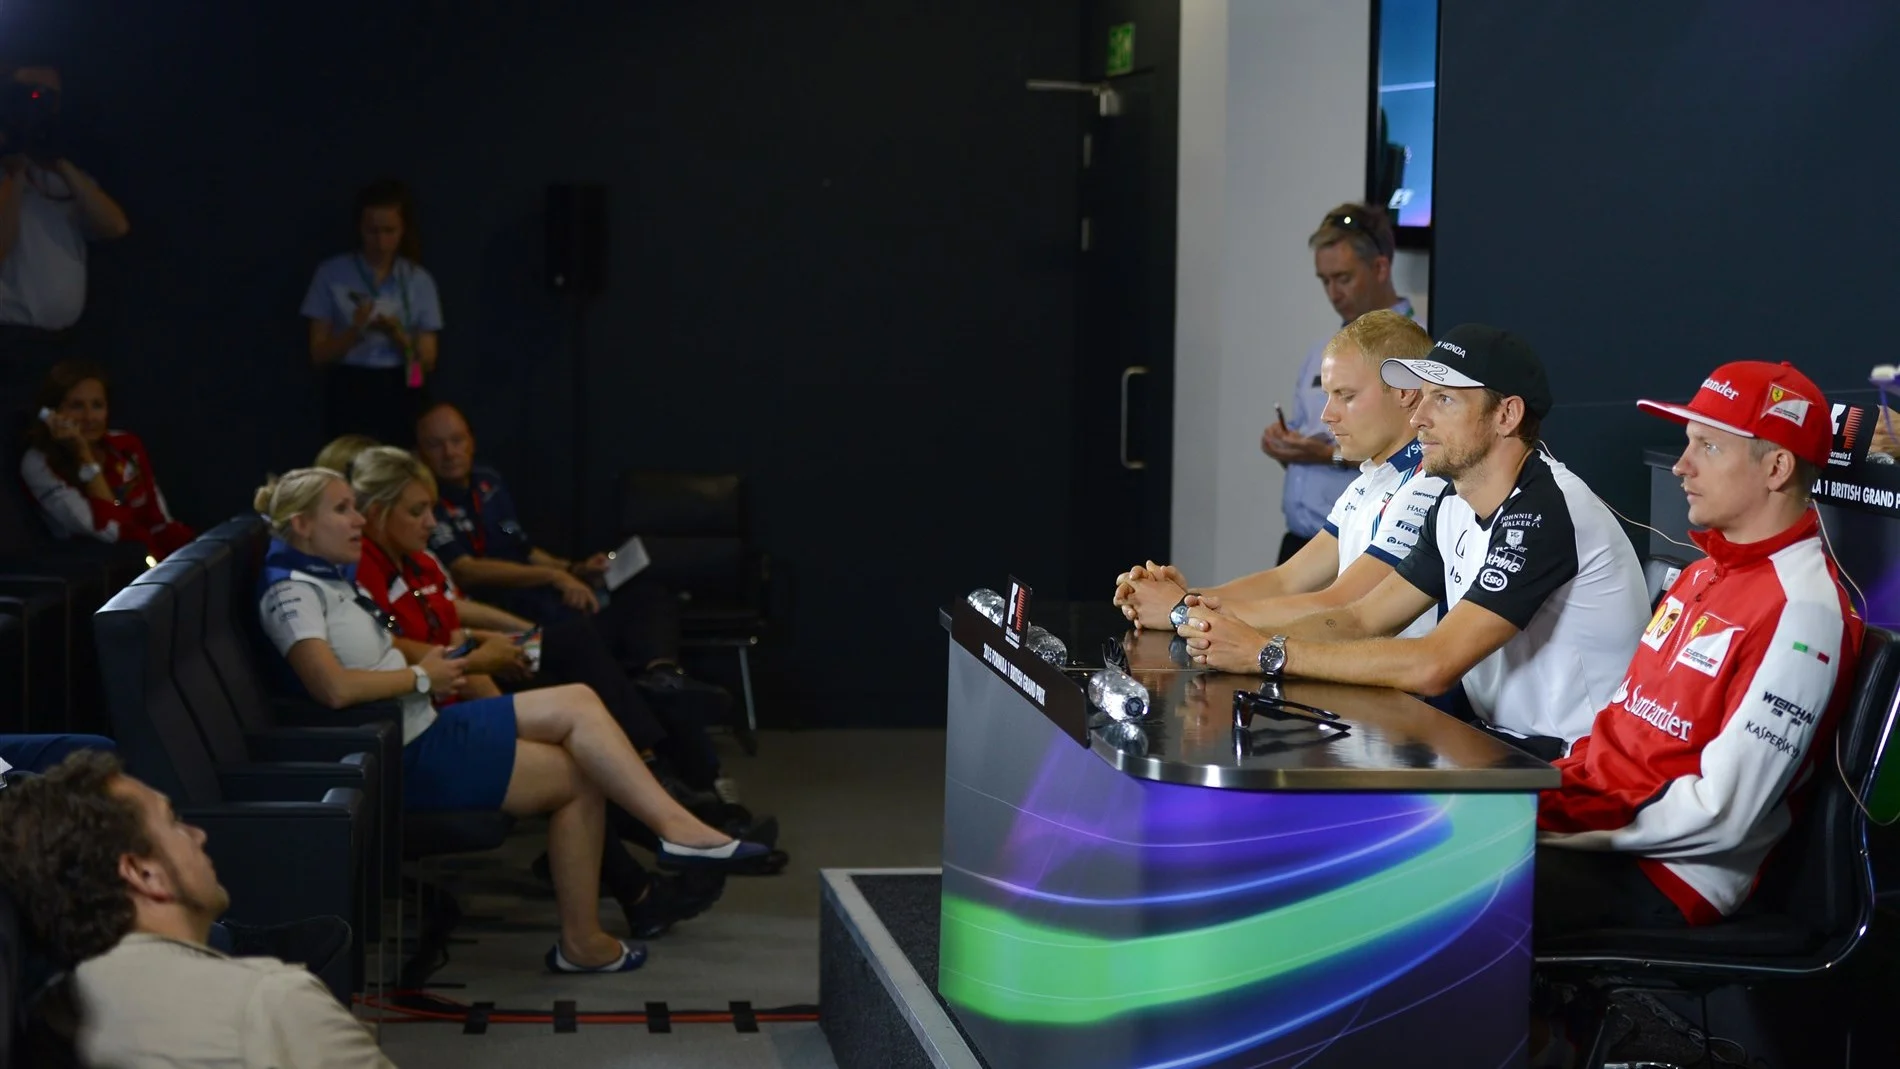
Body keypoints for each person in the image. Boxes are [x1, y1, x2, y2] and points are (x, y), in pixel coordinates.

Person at [253, 468, 771, 971]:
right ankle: (639, 874)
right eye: (342, 509)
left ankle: (654, 852)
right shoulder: (290, 592)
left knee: (579, 710)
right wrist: (423, 676)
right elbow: (333, 687)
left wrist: (440, 664)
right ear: (301, 524)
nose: (358, 520)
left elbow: (395, 644)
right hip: (397, 751)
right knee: (577, 762)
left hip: (422, 721)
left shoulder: (333, 577)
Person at [1528, 363, 1863, 1068]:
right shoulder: (1701, 572)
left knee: (1448, 896)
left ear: (1776, 467)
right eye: (1687, 443)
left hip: (1669, 871)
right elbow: (1623, 729)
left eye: (1708, 445)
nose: (1681, 465)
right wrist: (1541, 794)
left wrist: (1555, 826)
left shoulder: (1803, 610)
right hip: (1602, 824)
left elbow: (1724, 814)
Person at [1181, 324, 1649, 755]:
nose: (1419, 417)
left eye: (1443, 399)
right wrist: (1227, 634)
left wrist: (1265, 653)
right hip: (1503, 744)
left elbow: (1434, 664)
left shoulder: (1547, 509)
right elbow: (1361, 618)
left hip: (1577, 763)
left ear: (1507, 415)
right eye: (1422, 397)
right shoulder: (1451, 503)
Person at [347, 445, 773, 862]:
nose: (430, 521)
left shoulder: (432, 545)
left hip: (484, 655)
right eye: (417, 511)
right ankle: (674, 801)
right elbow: (406, 644)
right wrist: (499, 652)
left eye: (458, 440)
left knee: (638, 622)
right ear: (378, 512)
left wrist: (560, 580)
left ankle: (674, 728)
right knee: (585, 667)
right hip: (461, 678)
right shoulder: (360, 570)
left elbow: (452, 616)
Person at [0, 751, 392, 1068]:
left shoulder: (50, 1016)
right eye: (174, 823)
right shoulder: (272, 1001)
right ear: (143, 873)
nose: (199, 835)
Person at [1115, 310, 1446, 639]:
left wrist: (1180, 611)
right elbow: (1286, 580)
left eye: (1346, 396)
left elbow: (1340, 604)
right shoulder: (1369, 481)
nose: (1327, 415)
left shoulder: (1428, 487)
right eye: (1328, 395)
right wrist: (1180, 597)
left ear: (1405, 392)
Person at [413, 401, 731, 721]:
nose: (450, 453)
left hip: (546, 600)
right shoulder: (426, 501)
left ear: (471, 441)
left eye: (457, 440)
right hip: (507, 615)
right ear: (420, 452)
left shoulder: (488, 482)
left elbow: (523, 548)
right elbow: (466, 570)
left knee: (647, 596)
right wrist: (554, 578)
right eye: (436, 445)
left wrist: (574, 569)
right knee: (588, 644)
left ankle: (662, 675)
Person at [1260, 203, 1423, 564]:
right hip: (1301, 540)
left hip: (1367, 546)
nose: (1333, 292)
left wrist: (1324, 454)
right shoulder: (1323, 350)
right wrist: (1287, 445)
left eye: (1344, 278)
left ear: (1380, 268)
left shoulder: (1417, 350)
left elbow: (1417, 451)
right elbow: (1310, 430)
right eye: (1325, 281)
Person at [0, 65, 129, 411]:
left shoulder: (64, 179)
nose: (38, 106)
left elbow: (115, 226)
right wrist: (15, 172)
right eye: (27, 95)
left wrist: (58, 162)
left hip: (61, 347)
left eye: (49, 99)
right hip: (8, 342)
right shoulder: (7, 178)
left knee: (54, 438)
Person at [302, 180, 442, 445]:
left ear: (403, 230)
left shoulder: (418, 280)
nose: (381, 242)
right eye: (372, 231)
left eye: (389, 231)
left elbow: (427, 361)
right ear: (359, 228)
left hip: (401, 385)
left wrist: (398, 335)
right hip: (350, 386)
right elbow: (318, 354)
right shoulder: (331, 274)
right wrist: (356, 330)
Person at [19, 359, 194, 560]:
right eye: (76, 406)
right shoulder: (38, 464)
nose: (89, 417)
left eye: (97, 405)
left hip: (155, 559)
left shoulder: (126, 445)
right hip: (105, 566)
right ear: (52, 413)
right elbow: (110, 531)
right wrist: (82, 454)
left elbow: (159, 520)